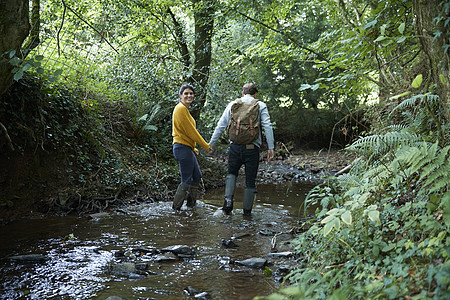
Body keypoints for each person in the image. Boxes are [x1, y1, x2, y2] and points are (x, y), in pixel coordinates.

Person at [209, 83, 274, 216]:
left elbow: (220, 125)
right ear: (255, 94)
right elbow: (268, 127)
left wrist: (211, 144)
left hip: (235, 147)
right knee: (250, 179)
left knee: (232, 173)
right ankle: (247, 212)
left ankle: (227, 205)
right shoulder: (260, 105)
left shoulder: (233, 104)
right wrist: (270, 148)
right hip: (252, 148)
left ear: (243, 92)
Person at [172, 84, 212, 210]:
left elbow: (185, 132)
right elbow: (191, 131)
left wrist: (193, 148)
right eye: (186, 93)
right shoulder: (180, 109)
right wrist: (205, 145)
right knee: (186, 180)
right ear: (180, 96)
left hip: (186, 148)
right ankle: (175, 209)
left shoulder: (184, 110)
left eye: (191, 93)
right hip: (181, 148)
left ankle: (191, 206)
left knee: (197, 176)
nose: (189, 95)